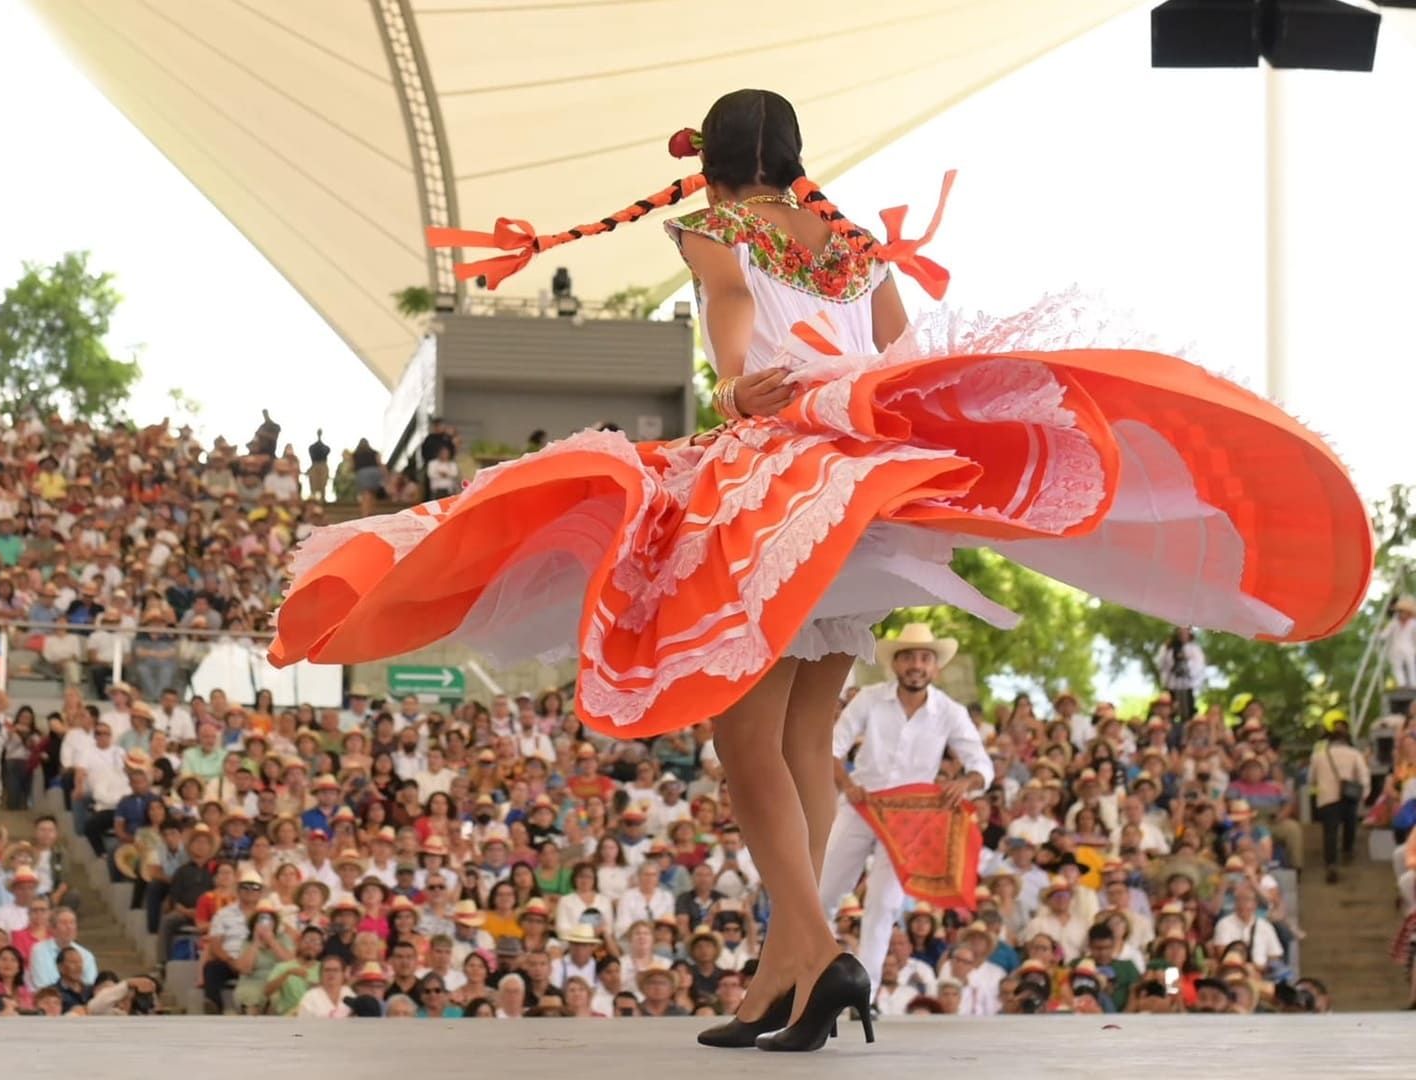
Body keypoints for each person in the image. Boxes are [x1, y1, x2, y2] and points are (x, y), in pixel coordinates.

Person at [270, 88, 1369, 1053]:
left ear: (711, 161)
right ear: (793, 156)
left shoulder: (716, 229)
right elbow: (901, 353)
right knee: (799, 739)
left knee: (743, 741)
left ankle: (819, 947)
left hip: (773, 492)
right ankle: (781, 979)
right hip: (861, 506)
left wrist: (754, 386)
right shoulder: (849, 242)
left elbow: (739, 329)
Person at [816, 625, 989, 1004]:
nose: (916, 665)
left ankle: (867, 995)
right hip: (863, 804)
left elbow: (981, 766)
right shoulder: (869, 700)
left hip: (910, 822)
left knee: (884, 904)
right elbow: (832, 747)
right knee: (824, 892)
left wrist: (966, 782)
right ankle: (810, 977)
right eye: (908, 656)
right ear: (895, 663)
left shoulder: (949, 711)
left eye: (924, 658)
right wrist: (846, 784)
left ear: (935, 668)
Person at [1308, 717, 1370, 883]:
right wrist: (1364, 793)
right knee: (1350, 824)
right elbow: (1363, 775)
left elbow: (1311, 779)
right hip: (1348, 796)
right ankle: (1347, 851)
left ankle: (1331, 863)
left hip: (1327, 797)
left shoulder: (1318, 756)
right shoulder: (1354, 754)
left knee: (1330, 830)